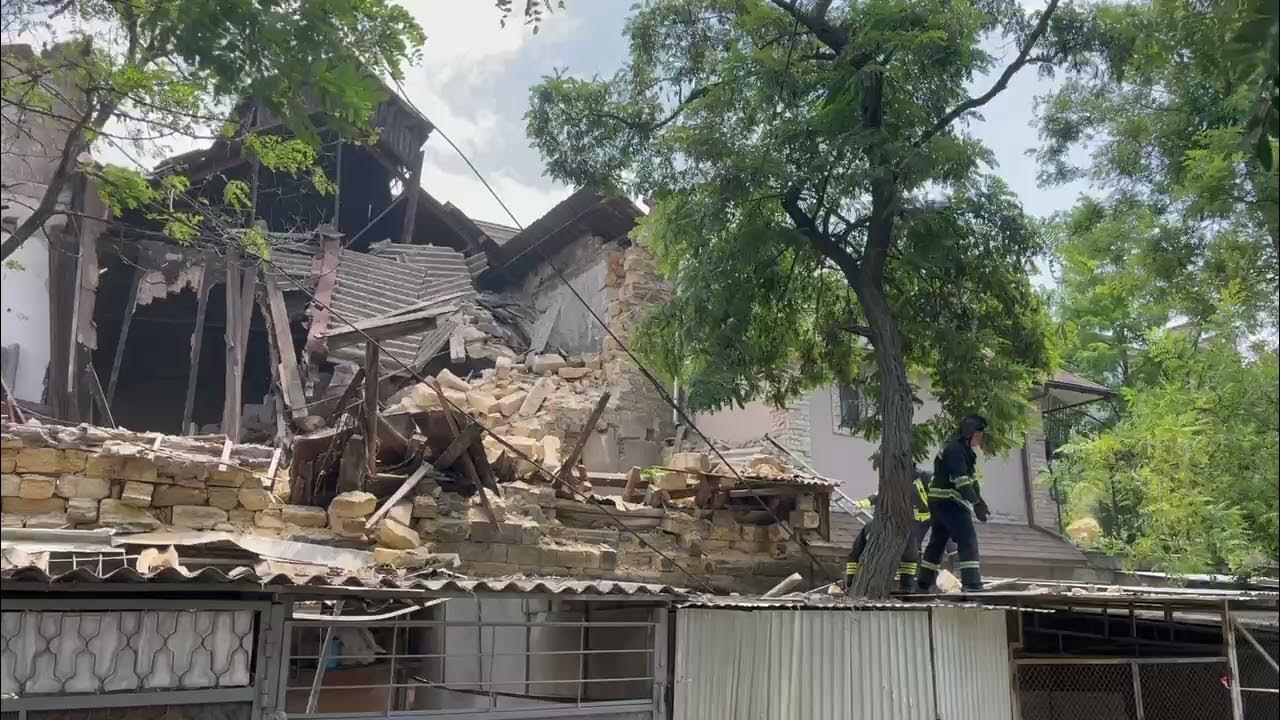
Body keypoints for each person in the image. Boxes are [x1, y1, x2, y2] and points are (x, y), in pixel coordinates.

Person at [916, 414, 990, 592]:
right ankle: (972, 583)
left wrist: (980, 501)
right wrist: (975, 503)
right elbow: (962, 481)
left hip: (938, 503)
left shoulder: (960, 450)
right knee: (967, 540)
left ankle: (923, 583)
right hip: (950, 503)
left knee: (938, 542)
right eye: (979, 434)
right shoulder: (956, 450)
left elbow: (971, 481)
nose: (981, 438)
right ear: (970, 433)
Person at [844, 469, 933, 592]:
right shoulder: (911, 487)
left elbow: (854, 555)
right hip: (904, 528)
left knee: (910, 555)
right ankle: (905, 586)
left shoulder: (919, 487)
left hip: (899, 528)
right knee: (911, 555)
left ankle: (903, 586)